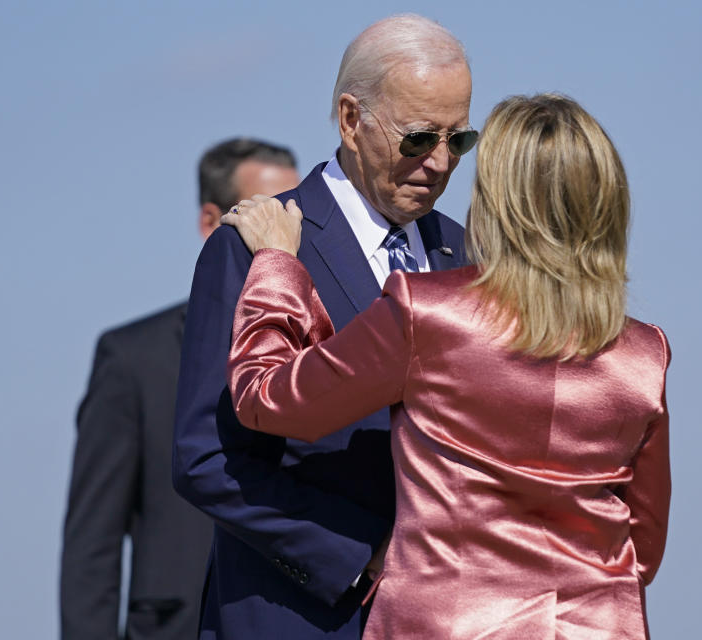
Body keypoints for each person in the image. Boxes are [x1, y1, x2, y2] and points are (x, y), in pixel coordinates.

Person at [222, 94, 671, 639]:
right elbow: (641, 547)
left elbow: (264, 399)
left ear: (502, 200)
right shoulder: (646, 353)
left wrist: (277, 265)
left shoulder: (429, 312)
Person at [171, 14, 473, 640]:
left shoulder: (465, 251)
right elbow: (206, 458)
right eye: (418, 139)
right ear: (350, 119)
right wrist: (357, 555)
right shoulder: (255, 246)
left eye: (459, 140)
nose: (441, 162)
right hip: (301, 616)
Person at [60, 138, 299, 640]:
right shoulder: (132, 360)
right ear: (211, 223)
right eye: (260, 214)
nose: (280, 233)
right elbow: (92, 545)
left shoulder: (327, 345)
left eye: (293, 216)